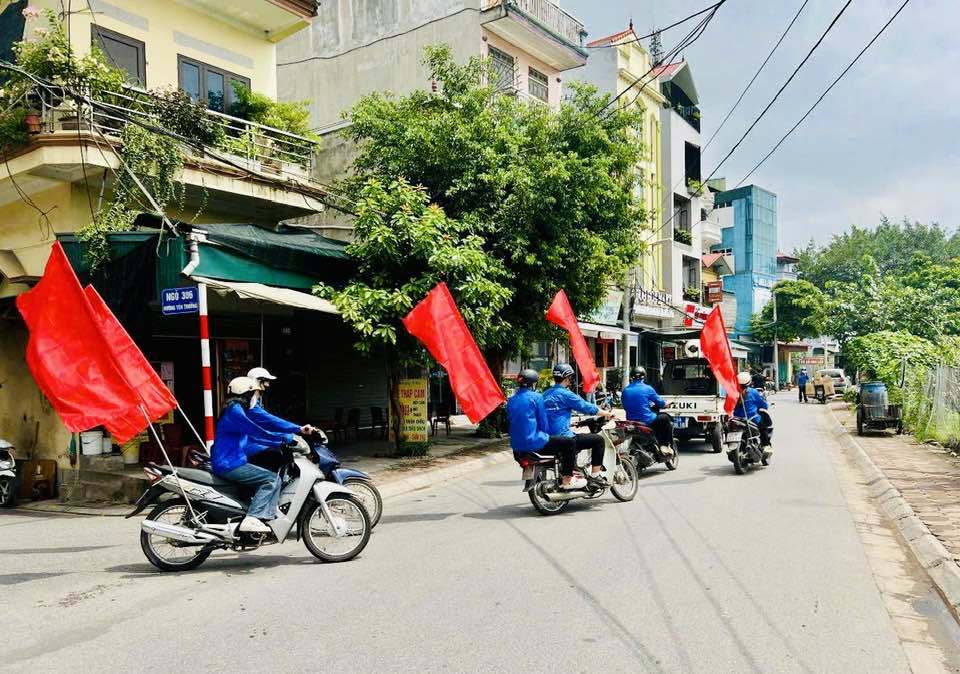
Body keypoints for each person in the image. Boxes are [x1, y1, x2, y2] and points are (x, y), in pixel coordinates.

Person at [211, 377, 296, 534]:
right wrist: (287, 437)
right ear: (247, 393)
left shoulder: (234, 409)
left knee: (270, 473)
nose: (257, 398)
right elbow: (256, 430)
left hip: (232, 460)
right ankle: (253, 517)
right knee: (270, 479)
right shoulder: (235, 412)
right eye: (255, 394)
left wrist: (280, 440)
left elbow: (255, 436)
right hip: (229, 463)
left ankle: (266, 515)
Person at [506, 369, 584, 490]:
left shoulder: (511, 400)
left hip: (516, 447)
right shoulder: (536, 397)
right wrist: (547, 433)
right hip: (535, 442)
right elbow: (543, 422)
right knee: (569, 442)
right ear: (533, 383)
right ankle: (568, 479)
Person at [542, 363, 614, 482]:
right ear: (567, 378)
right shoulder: (566, 394)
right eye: (570, 378)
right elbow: (586, 407)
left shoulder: (545, 394)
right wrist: (607, 414)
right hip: (563, 438)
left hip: (546, 439)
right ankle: (595, 477)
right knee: (598, 440)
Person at [246, 367, 318, 438]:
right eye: (267, 381)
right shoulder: (249, 404)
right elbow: (268, 419)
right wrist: (299, 428)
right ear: (258, 381)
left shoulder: (254, 400)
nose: (268, 385)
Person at [621, 366, 674, 455]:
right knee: (665, 418)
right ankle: (664, 445)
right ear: (643, 376)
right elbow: (661, 403)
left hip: (631, 421)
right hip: (646, 420)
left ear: (631, 377)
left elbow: (625, 405)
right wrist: (667, 404)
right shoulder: (648, 388)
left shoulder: (625, 390)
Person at [733, 371, 772, 446]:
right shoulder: (753, 392)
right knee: (763, 428)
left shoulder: (732, 392)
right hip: (751, 418)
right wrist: (765, 406)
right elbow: (763, 405)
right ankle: (766, 445)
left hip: (736, 418)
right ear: (749, 382)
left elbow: (727, 406)